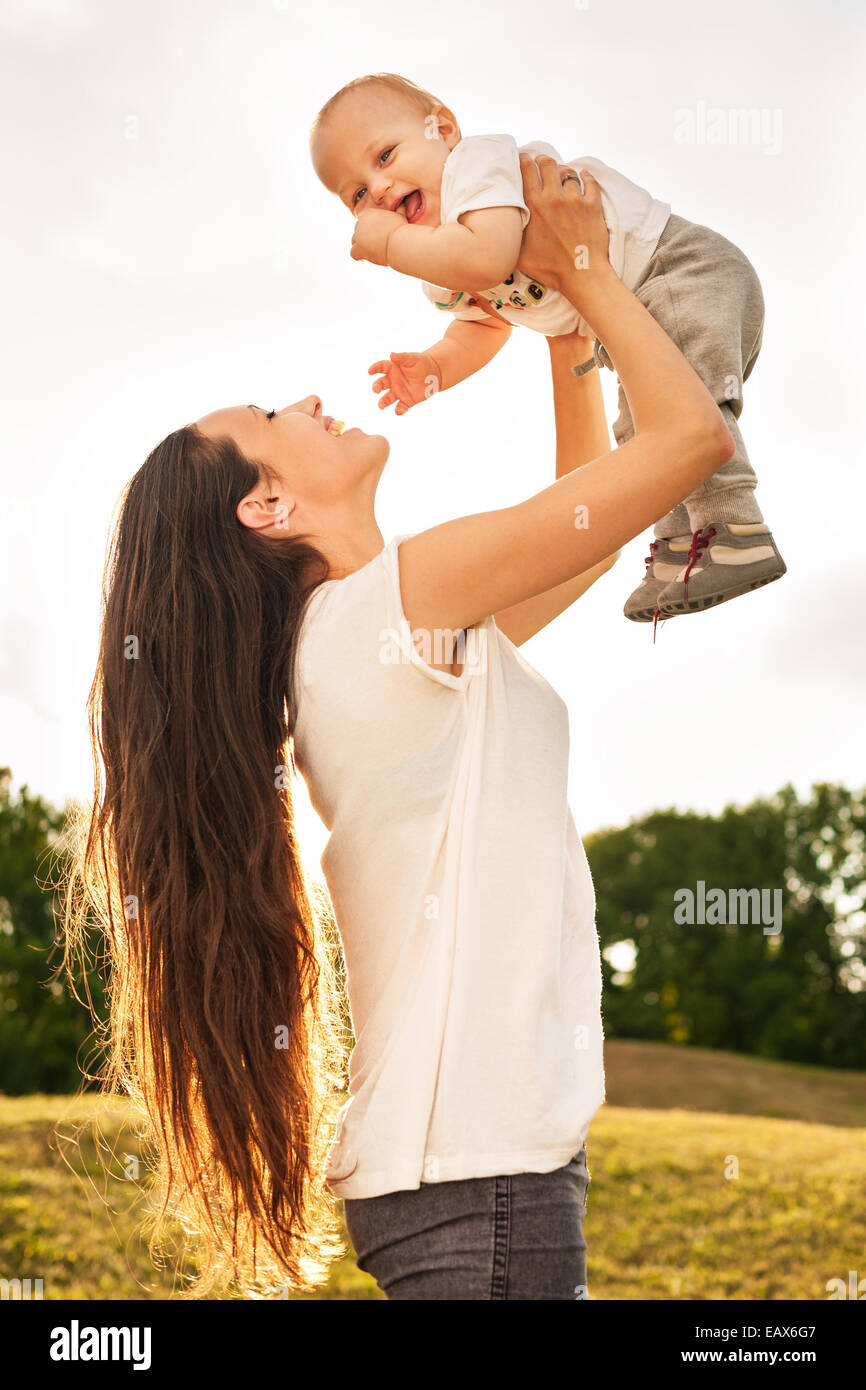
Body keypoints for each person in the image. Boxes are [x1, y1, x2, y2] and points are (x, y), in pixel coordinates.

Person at [63, 155, 733, 1301]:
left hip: (472, 1183)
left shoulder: (377, 633)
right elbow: (685, 447)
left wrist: (555, 322)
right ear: (265, 508)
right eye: (277, 417)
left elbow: (587, 506)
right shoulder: (392, 613)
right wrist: (585, 270)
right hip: (477, 1186)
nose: (313, 402)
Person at [310, 71, 785, 630]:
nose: (380, 189)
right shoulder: (440, 261)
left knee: (686, 414)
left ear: (441, 128)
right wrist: (437, 367)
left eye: (386, 156)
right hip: (632, 318)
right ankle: (685, 547)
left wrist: (392, 244)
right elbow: (485, 326)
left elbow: (488, 258)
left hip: (680, 271)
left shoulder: (475, 169)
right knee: (643, 436)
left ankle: (737, 530)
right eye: (358, 195)